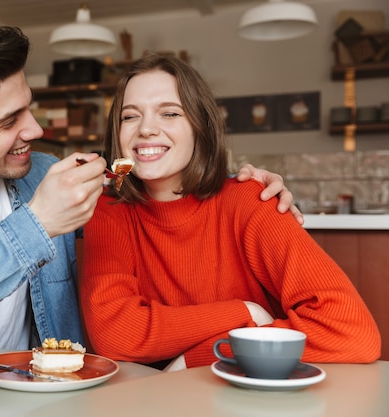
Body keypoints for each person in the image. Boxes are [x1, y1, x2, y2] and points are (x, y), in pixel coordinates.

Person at [0, 15, 299, 351]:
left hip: (46, 393)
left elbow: (149, 193)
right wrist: (35, 226)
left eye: (28, 107)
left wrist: (235, 183)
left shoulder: (46, 174)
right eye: (9, 121)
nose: (35, 130)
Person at [79, 54, 381, 371]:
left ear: (200, 126)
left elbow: (351, 331)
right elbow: (115, 334)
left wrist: (200, 356)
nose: (147, 129)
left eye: (169, 113)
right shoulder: (108, 207)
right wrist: (244, 313)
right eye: (130, 117)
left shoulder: (251, 199)